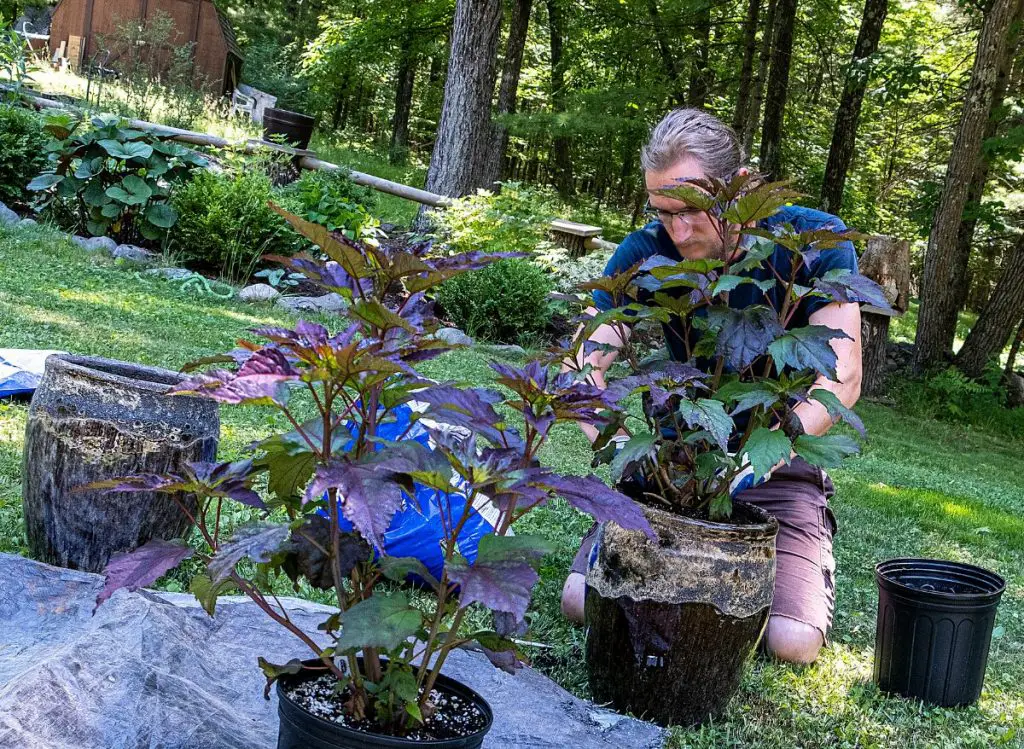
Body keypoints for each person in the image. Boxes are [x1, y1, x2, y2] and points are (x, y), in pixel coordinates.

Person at [559, 108, 862, 665]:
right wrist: (614, 432)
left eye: (693, 211)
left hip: (776, 466)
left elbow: (840, 378)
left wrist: (763, 455)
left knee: (792, 644)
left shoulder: (814, 243)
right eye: (662, 213)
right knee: (582, 600)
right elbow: (584, 357)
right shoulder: (645, 254)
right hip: (678, 465)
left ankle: (804, 542)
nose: (679, 231)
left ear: (740, 187)